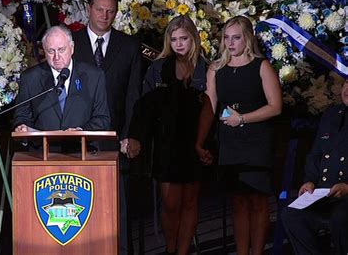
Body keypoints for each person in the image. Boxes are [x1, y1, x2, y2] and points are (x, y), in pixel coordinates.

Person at [205, 16, 282, 255]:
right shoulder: (215, 69)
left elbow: (276, 106)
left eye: (236, 37)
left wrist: (242, 119)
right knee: (238, 203)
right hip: (230, 143)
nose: (230, 43)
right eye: (226, 38)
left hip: (257, 141)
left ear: (247, 38)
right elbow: (209, 109)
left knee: (258, 203)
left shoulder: (262, 66)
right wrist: (201, 143)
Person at [72, 0, 142, 253]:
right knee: (82, 203)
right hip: (77, 139)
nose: (105, 15)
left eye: (110, 11)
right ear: (89, 9)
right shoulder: (71, 43)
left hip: (115, 139)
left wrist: (130, 135)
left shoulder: (129, 46)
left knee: (116, 208)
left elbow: (134, 95)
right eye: (100, 9)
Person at [136, 15, 209, 255]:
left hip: (196, 141)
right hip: (166, 144)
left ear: (193, 39)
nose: (179, 44)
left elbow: (214, 105)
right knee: (170, 204)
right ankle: (170, 249)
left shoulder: (204, 67)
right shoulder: (158, 67)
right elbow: (144, 106)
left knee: (190, 202)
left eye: (184, 38)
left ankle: (183, 251)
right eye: (174, 39)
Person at [281, 79, 348, 255]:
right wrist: (309, 180)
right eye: (347, 83)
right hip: (325, 192)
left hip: (346, 194)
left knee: (340, 218)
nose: (347, 89)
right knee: (291, 214)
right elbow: (315, 153)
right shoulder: (332, 114)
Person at [13, 25, 110, 134]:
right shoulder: (30, 78)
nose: (57, 57)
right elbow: (22, 116)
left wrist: (80, 131)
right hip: (42, 148)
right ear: (44, 51)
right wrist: (23, 127)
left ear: (72, 48)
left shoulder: (94, 76)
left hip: (82, 148)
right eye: (51, 51)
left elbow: (102, 119)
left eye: (61, 50)